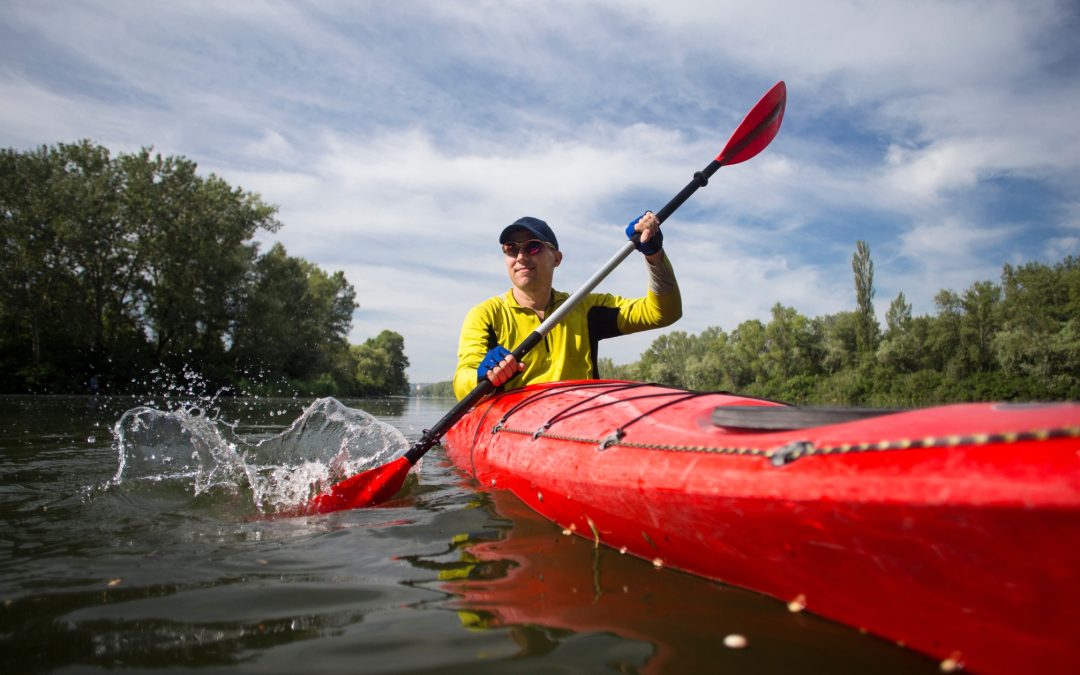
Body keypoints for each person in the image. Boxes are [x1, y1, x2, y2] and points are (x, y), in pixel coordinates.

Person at [452, 213, 681, 400]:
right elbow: (463, 383)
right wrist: (482, 376)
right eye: (511, 248)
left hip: (578, 417)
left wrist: (655, 256)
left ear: (557, 258)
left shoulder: (584, 306)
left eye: (532, 247)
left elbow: (662, 313)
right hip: (510, 426)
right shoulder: (484, 314)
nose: (521, 256)